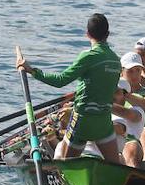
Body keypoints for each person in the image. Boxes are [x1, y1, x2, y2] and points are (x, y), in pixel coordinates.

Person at [17, 13, 122, 162]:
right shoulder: (116, 61)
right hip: (104, 123)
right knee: (115, 165)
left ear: (87, 34)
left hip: (82, 121)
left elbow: (60, 81)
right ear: (108, 34)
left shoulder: (88, 56)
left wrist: (32, 71)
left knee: (67, 167)